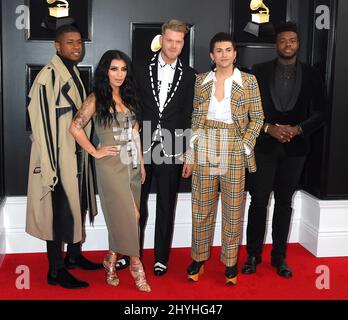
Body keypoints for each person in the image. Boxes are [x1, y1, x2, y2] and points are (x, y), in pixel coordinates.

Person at [241, 22, 327, 278]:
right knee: (258, 201)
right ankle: (253, 255)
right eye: (283, 41)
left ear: (298, 44)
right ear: (276, 44)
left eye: (292, 40)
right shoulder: (258, 72)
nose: (288, 44)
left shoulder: (312, 74)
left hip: (296, 149)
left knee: (284, 203)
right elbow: (245, 112)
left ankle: (279, 257)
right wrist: (268, 128)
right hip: (264, 146)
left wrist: (297, 129)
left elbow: (321, 113)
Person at [116, 19, 196, 276]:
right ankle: (130, 253)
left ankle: (161, 258)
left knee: (166, 205)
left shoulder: (191, 75)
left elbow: (189, 115)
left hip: (172, 148)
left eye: (179, 41)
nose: (173, 45)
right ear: (162, 39)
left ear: (183, 43)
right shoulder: (139, 68)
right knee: (135, 205)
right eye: (169, 40)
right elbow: (129, 103)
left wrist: (189, 154)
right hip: (141, 144)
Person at [184, 32, 264, 285]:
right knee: (201, 208)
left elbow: (258, 118)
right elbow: (195, 120)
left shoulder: (249, 81)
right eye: (219, 50)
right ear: (212, 55)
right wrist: (189, 154)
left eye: (228, 50)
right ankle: (198, 258)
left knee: (232, 209)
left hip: (234, 145)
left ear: (235, 53)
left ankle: (230, 262)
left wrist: (245, 145)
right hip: (205, 142)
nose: (224, 54)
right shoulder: (200, 81)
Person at [26, 24, 102, 290]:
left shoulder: (73, 73)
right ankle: (55, 270)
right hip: (57, 158)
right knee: (57, 213)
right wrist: (50, 168)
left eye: (79, 42)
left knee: (75, 206)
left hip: (75, 156)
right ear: (57, 46)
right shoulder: (48, 77)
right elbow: (42, 126)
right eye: (69, 42)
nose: (76, 47)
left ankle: (74, 256)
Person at [69, 50, 151, 292]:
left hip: (132, 164)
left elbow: (135, 132)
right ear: (105, 70)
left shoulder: (130, 96)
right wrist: (95, 151)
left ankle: (111, 259)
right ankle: (136, 266)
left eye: (123, 69)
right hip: (110, 167)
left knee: (127, 216)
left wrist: (142, 162)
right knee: (131, 215)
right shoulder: (96, 98)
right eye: (114, 69)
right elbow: (75, 127)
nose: (119, 74)